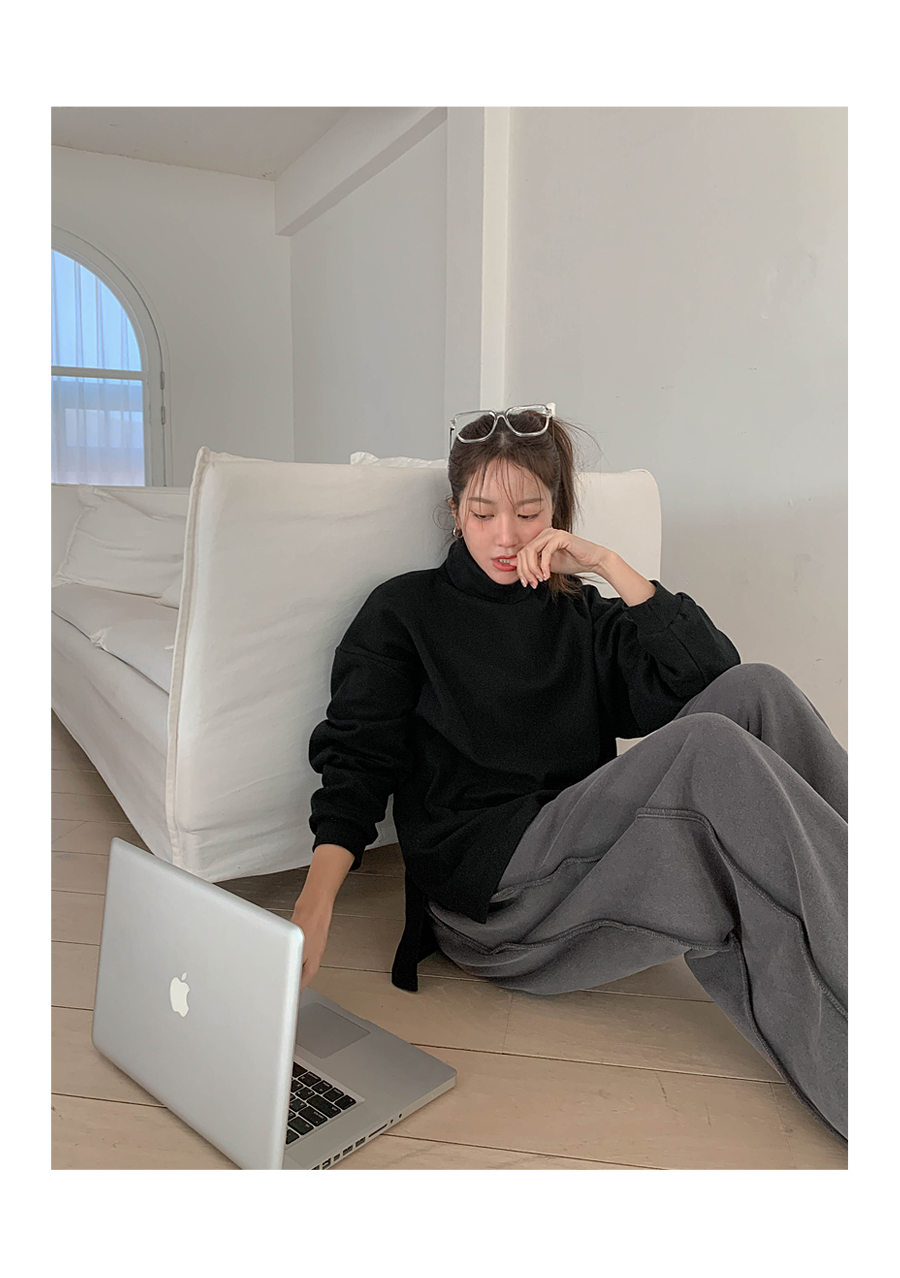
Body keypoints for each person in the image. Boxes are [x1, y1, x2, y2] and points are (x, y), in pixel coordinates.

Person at [290, 406, 848, 1144]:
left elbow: (709, 675)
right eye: (482, 513)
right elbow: (357, 762)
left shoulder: (579, 612)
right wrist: (314, 904)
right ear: (454, 511)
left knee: (760, 689)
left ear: (556, 511)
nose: (506, 535)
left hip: (579, 851)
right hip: (491, 896)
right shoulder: (403, 612)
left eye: (529, 512)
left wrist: (609, 565)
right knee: (707, 746)